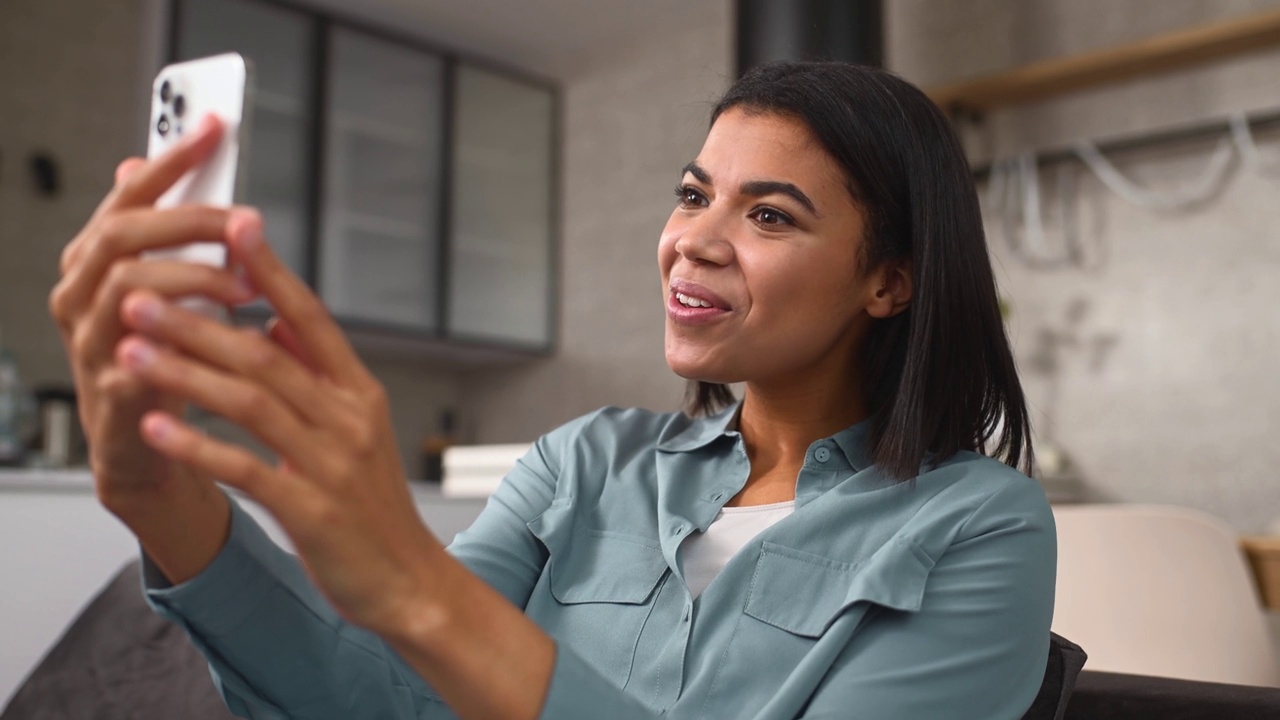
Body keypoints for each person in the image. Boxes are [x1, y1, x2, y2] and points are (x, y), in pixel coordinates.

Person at [49, 61, 1055, 719]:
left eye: (771, 217)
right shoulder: (582, 462)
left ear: (888, 279)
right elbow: (384, 703)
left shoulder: (979, 525)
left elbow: (431, 622)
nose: (691, 242)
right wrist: (167, 507)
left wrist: (410, 581)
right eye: (693, 195)